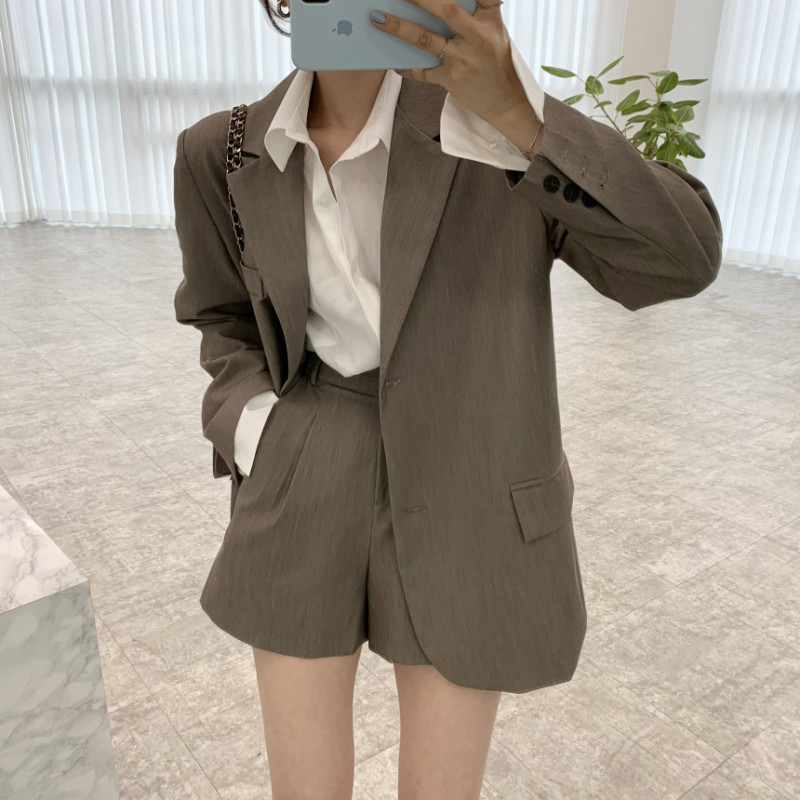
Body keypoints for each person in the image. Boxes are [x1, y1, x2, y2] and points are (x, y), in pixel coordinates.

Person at [173, 1, 723, 797]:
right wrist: (257, 430)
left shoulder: (490, 135)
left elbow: (685, 258)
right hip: (303, 472)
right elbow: (219, 314)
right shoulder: (221, 151)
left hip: (467, 476)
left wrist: (520, 115)